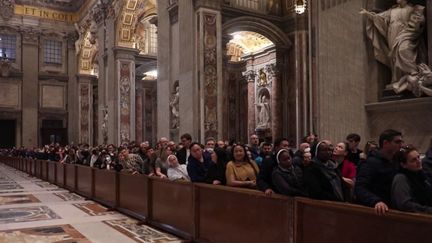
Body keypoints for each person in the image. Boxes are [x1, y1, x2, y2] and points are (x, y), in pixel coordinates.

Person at [360, 0, 426, 85]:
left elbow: (420, 22)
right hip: (392, 35)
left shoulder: (412, 9)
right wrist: (367, 14)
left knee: (403, 49)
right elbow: (379, 18)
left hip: (407, 35)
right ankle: (398, 79)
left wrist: (421, 20)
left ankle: (414, 73)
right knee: (394, 56)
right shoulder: (391, 11)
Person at [354, 129, 404, 215]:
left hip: (394, 209)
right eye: (397, 142)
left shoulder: (396, 161)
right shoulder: (369, 163)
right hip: (378, 212)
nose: (401, 145)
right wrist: (376, 201)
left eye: (401, 142)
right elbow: (360, 188)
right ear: (385, 143)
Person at [391, 145, 432, 214]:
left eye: (418, 157)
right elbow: (405, 205)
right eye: (413, 160)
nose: (418, 161)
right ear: (403, 165)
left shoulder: (420, 174)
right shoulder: (401, 178)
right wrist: (428, 210)